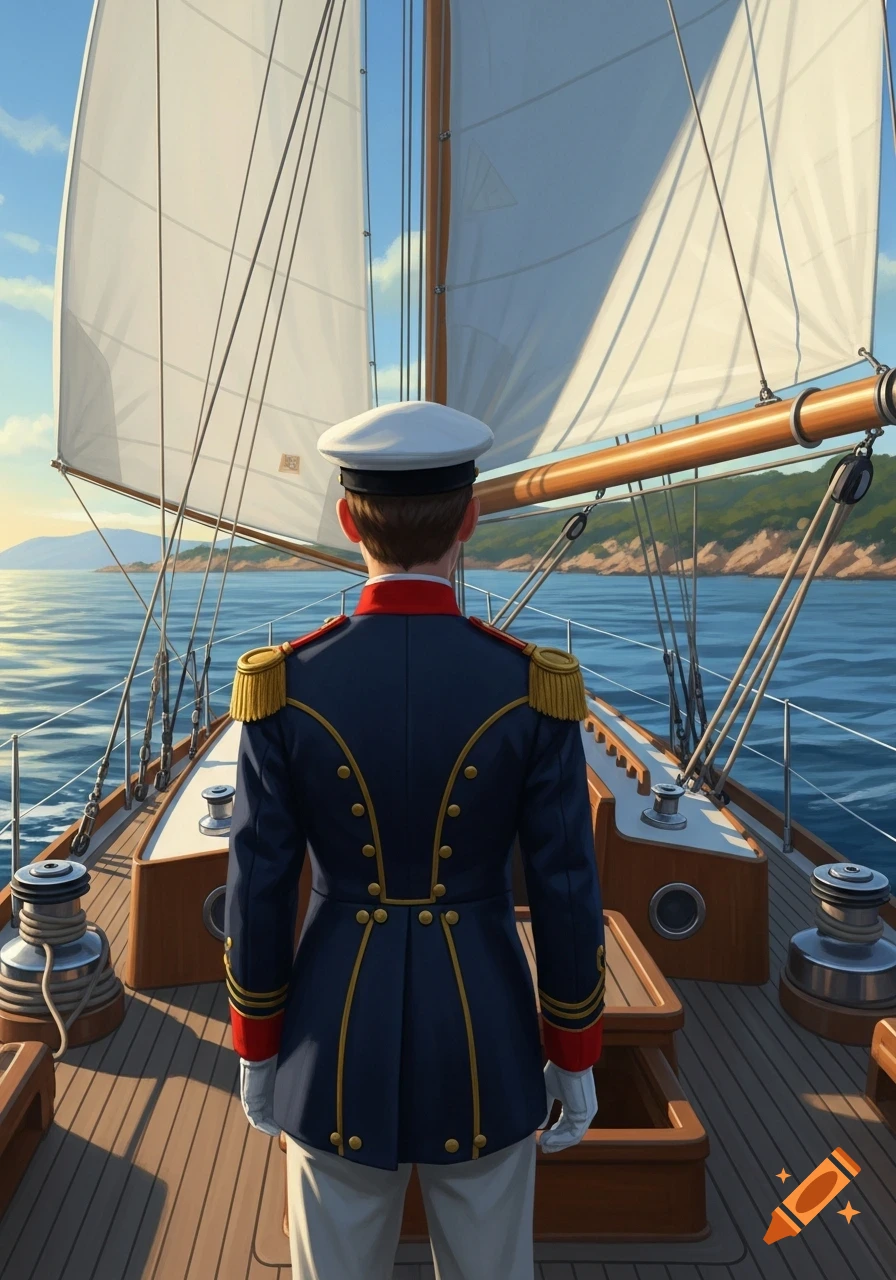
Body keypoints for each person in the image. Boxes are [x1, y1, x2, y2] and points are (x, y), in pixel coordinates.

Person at [224, 400, 606, 1280]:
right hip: (487, 1041)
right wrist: (574, 1053)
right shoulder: (532, 687)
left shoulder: (283, 688)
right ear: (469, 518)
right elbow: (565, 892)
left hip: (329, 1042)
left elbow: (259, 887)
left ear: (347, 517)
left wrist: (257, 1046)